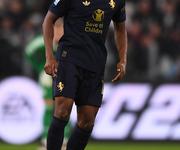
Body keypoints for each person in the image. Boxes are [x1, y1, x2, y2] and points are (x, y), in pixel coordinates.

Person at [42, 0, 127, 149]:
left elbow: (120, 29)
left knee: (87, 122)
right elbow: (48, 20)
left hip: (96, 62)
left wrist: (123, 59)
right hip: (70, 57)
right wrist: (49, 56)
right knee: (62, 111)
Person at [25, 18, 71, 150]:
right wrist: (40, 68)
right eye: (55, 30)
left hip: (65, 77)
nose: (57, 33)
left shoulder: (69, 41)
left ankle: (65, 140)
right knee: (49, 107)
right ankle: (46, 140)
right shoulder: (44, 41)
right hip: (48, 78)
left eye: (59, 30)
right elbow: (29, 51)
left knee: (64, 109)